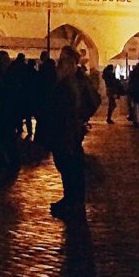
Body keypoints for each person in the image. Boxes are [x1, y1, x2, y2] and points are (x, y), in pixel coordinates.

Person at [38, 46, 101, 219]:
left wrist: (78, 118)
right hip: (70, 129)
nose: (60, 63)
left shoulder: (70, 83)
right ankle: (72, 199)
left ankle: (73, 201)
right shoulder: (79, 80)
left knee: (69, 165)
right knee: (70, 165)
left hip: (65, 129)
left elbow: (61, 106)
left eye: (63, 60)